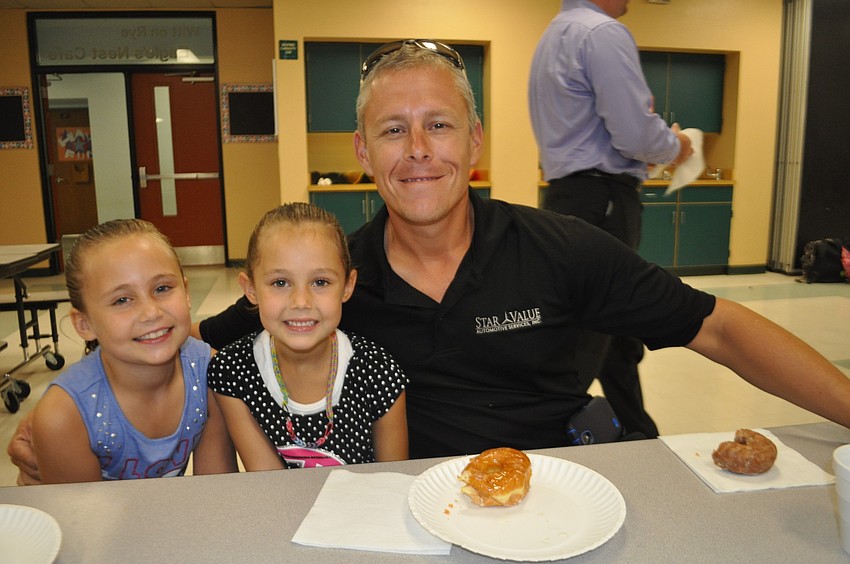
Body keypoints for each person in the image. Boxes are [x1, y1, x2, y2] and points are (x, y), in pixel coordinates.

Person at [10, 40, 850, 480]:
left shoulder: (562, 251)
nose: (418, 151)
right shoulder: (329, 280)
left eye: (440, 125)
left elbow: (725, 330)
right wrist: (72, 413)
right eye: (392, 129)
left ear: (475, 141)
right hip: (398, 505)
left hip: (556, 483)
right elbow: (184, 345)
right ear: (361, 151)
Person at [528, 0, 694, 438]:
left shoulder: (553, 36)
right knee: (589, 328)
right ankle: (544, 438)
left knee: (616, 326)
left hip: (569, 194)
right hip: (603, 197)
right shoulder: (601, 34)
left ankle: (639, 433)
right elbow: (635, 132)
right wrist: (675, 146)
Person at [27, 219, 236, 483]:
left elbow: (215, 491)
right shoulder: (64, 415)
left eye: (162, 288)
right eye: (122, 300)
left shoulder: (209, 371)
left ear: (186, 293)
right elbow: (81, 520)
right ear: (85, 324)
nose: (151, 312)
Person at [207, 203, 408, 469]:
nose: (301, 301)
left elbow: (392, 481)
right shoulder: (232, 371)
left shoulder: (378, 371)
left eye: (320, 282)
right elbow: (268, 483)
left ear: (348, 286)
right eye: (280, 283)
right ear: (251, 289)